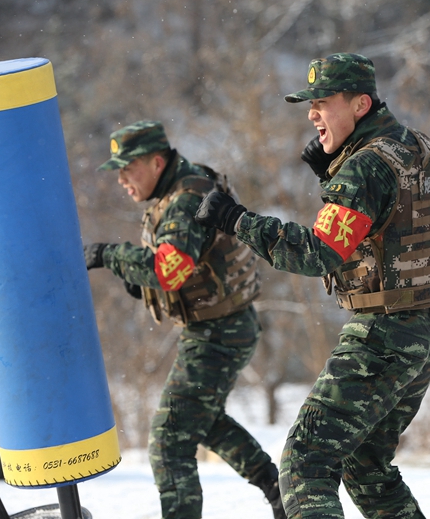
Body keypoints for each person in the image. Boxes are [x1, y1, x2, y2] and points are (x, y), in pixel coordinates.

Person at [195, 53, 430, 519]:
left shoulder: (364, 169)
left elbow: (317, 253)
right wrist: (333, 171)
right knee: (366, 466)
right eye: (309, 103)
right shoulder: (411, 145)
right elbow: (389, 223)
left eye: (323, 101)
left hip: (382, 335)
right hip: (422, 333)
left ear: (360, 104)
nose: (312, 113)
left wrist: (237, 220)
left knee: (304, 464)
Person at [83, 120, 285, 519]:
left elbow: (170, 269)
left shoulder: (185, 198)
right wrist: (138, 281)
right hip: (219, 327)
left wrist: (110, 257)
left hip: (218, 333)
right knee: (202, 421)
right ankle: (280, 490)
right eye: (118, 171)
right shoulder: (175, 192)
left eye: (128, 169)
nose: (122, 180)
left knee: (169, 439)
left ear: (157, 162)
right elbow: (182, 268)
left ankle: (277, 491)